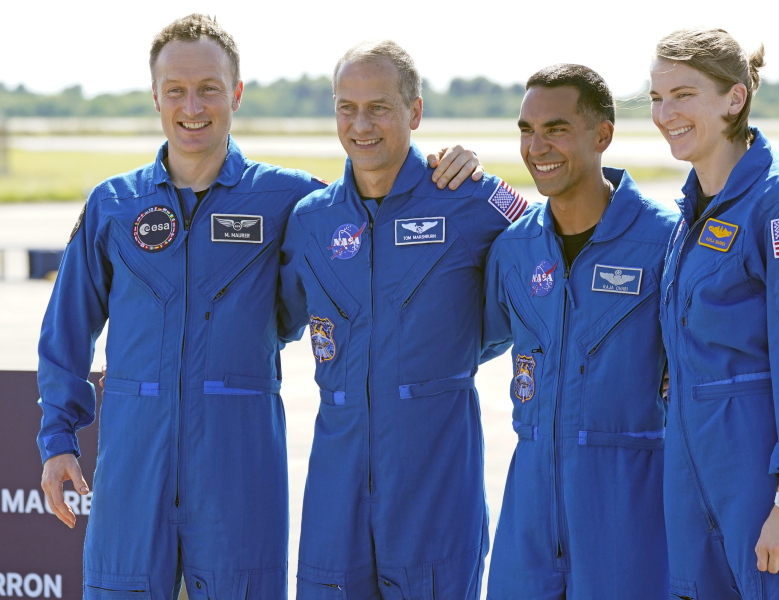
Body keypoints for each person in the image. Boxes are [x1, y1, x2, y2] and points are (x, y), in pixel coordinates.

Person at [35, 15, 481, 600]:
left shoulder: (290, 199)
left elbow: (376, 204)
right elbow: (67, 329)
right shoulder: (113, 206)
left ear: (236, 94)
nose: (192, 106)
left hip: (238, 472)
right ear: (156, 97)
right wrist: (59, 438)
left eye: (209, 89)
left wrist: (447, 168)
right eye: (176, 90)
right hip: (132, 474)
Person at [278, 40, 528, 599]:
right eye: (347, 107)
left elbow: (552, 252)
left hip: (436, 481)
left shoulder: (469, 198)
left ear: (415, 112)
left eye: (380, 107)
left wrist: (469, 345)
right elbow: (268, 318)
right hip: (335, 484)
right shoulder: (311, 221)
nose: (361, 124)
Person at [649, 28, 779, 598]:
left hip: (770, 493)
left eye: (683, 94)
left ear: (734, 99)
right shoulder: (692, 212)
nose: (666, 113)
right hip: (697, 487)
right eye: (657, 97)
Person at [481, 64, 676, 599]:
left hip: (630, 508)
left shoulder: (665, 243)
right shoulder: (514, 249)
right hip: (530, 510)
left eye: (557, 128)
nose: (536, 146)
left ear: (603, 135)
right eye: (526, 129)